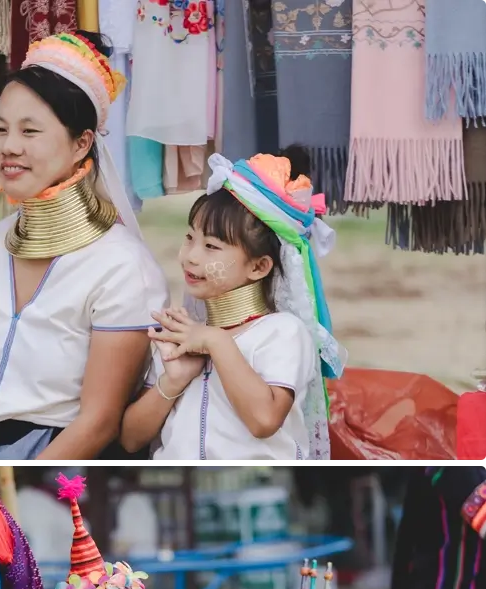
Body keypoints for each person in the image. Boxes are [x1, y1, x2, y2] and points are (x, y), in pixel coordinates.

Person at [0, 31, 169, 464]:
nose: (8, 146)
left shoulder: (122, 267)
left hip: (69, 467)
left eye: (30, 131)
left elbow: (99, 421)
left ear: (82, 143)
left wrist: (15, 483)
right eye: (0, 128)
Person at [120, 151, 346, 463]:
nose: (191, 256)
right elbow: (131, 440)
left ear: (259, 266)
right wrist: (173, 380)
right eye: (189, 238)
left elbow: (264, 420)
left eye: (211, 246)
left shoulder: (281, 333)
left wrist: (216, 341)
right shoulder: (182, 334)